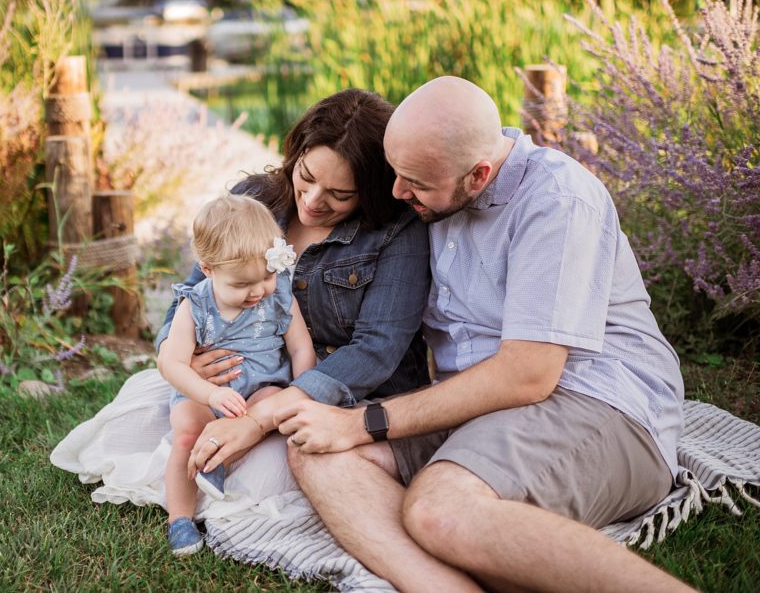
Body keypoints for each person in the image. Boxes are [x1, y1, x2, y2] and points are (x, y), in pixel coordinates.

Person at [268, 76, 691, 591]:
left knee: (437, 510)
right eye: (396, 175)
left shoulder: (557, 199)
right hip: (481, 411)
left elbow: (528, 376)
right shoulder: (431, 189)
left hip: (599, 403)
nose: (399, 194)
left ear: (479, 175)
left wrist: (365, 422)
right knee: (317, 448)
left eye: (416, 184)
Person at [157, 87, 431, 489]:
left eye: (341, 194)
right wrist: (180, 358)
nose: (314, 201)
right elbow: (195, 291)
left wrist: (267, 415)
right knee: (175, 430)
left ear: (371, 190)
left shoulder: (396, 232)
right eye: (307, 176)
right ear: (296, 154)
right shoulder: (254, 200)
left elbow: (376, 350)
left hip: (345, 396)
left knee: (268, 472)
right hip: (246, 383)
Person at [158, 195, 316, 555]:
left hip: (260, 389)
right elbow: (172, 364)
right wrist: (210, 396)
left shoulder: (279, 298)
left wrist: (300, 391)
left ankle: (215, 464)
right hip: (204, 392)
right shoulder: (195, 306)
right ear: (208, 270)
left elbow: (300, 348)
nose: (257, 291)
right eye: (241, 284)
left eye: (266, 276)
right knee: (187, 434)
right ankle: (179, 520)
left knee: (270, 405)